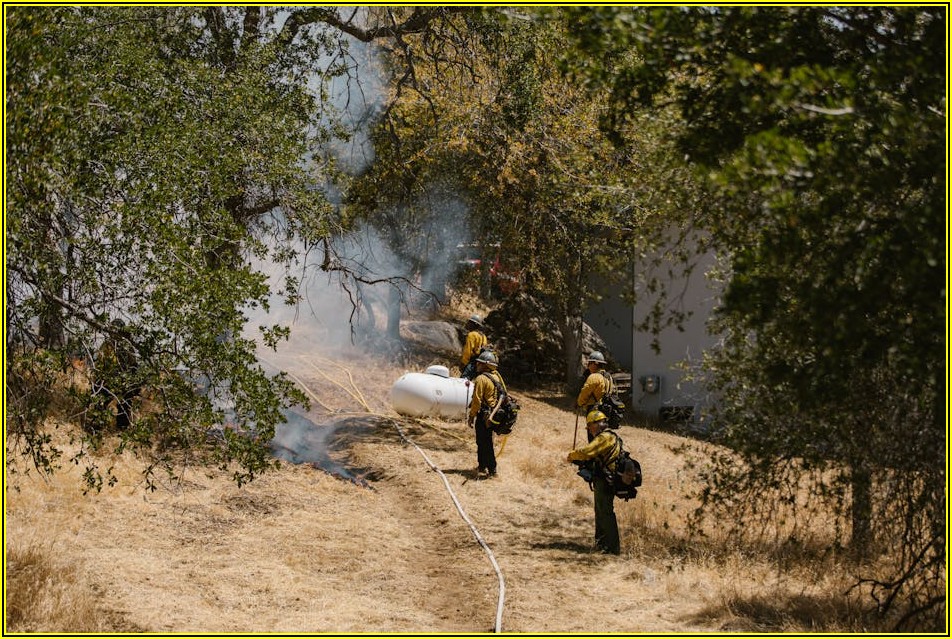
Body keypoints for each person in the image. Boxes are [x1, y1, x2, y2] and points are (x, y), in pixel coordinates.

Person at [566, 410, 622, 555]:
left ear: (597, 424)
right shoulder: (609, 437)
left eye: (590, 427)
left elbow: (587, 451)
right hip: (603, 479)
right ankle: (602, 544)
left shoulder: (605, 437)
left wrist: (572, 455)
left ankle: (612, 548)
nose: (590, 430)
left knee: (605, 512)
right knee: (601, 511)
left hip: (605, 481)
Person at [468, 350, 505, 478]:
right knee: (484, 441)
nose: (477, 365)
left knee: (484, 443)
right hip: (493, 415)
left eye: (480, 363)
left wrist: (471, 416)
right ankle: (482, 466)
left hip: (484, 415)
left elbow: (476, 401)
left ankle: (492, 469)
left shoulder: (481, 379)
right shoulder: (496, 376)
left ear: (486, 365)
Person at [576, 351, 616, 441]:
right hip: (606, 410)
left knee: (593, 438)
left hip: (594, 411)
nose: (588, 366)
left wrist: (579, 403)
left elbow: (585, 392)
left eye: (590, 363)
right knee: (602, 438)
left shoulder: (594, 377)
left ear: (595, 364)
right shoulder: (608, 377)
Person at [460, 314, 489, 380]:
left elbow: (468, 351)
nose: (468, 324)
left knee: (463, 382)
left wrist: (463, 363)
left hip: (470, 363)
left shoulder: (471, 335)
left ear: (475, 324)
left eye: (470, 322)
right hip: (479, 364)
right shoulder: (483, 336)